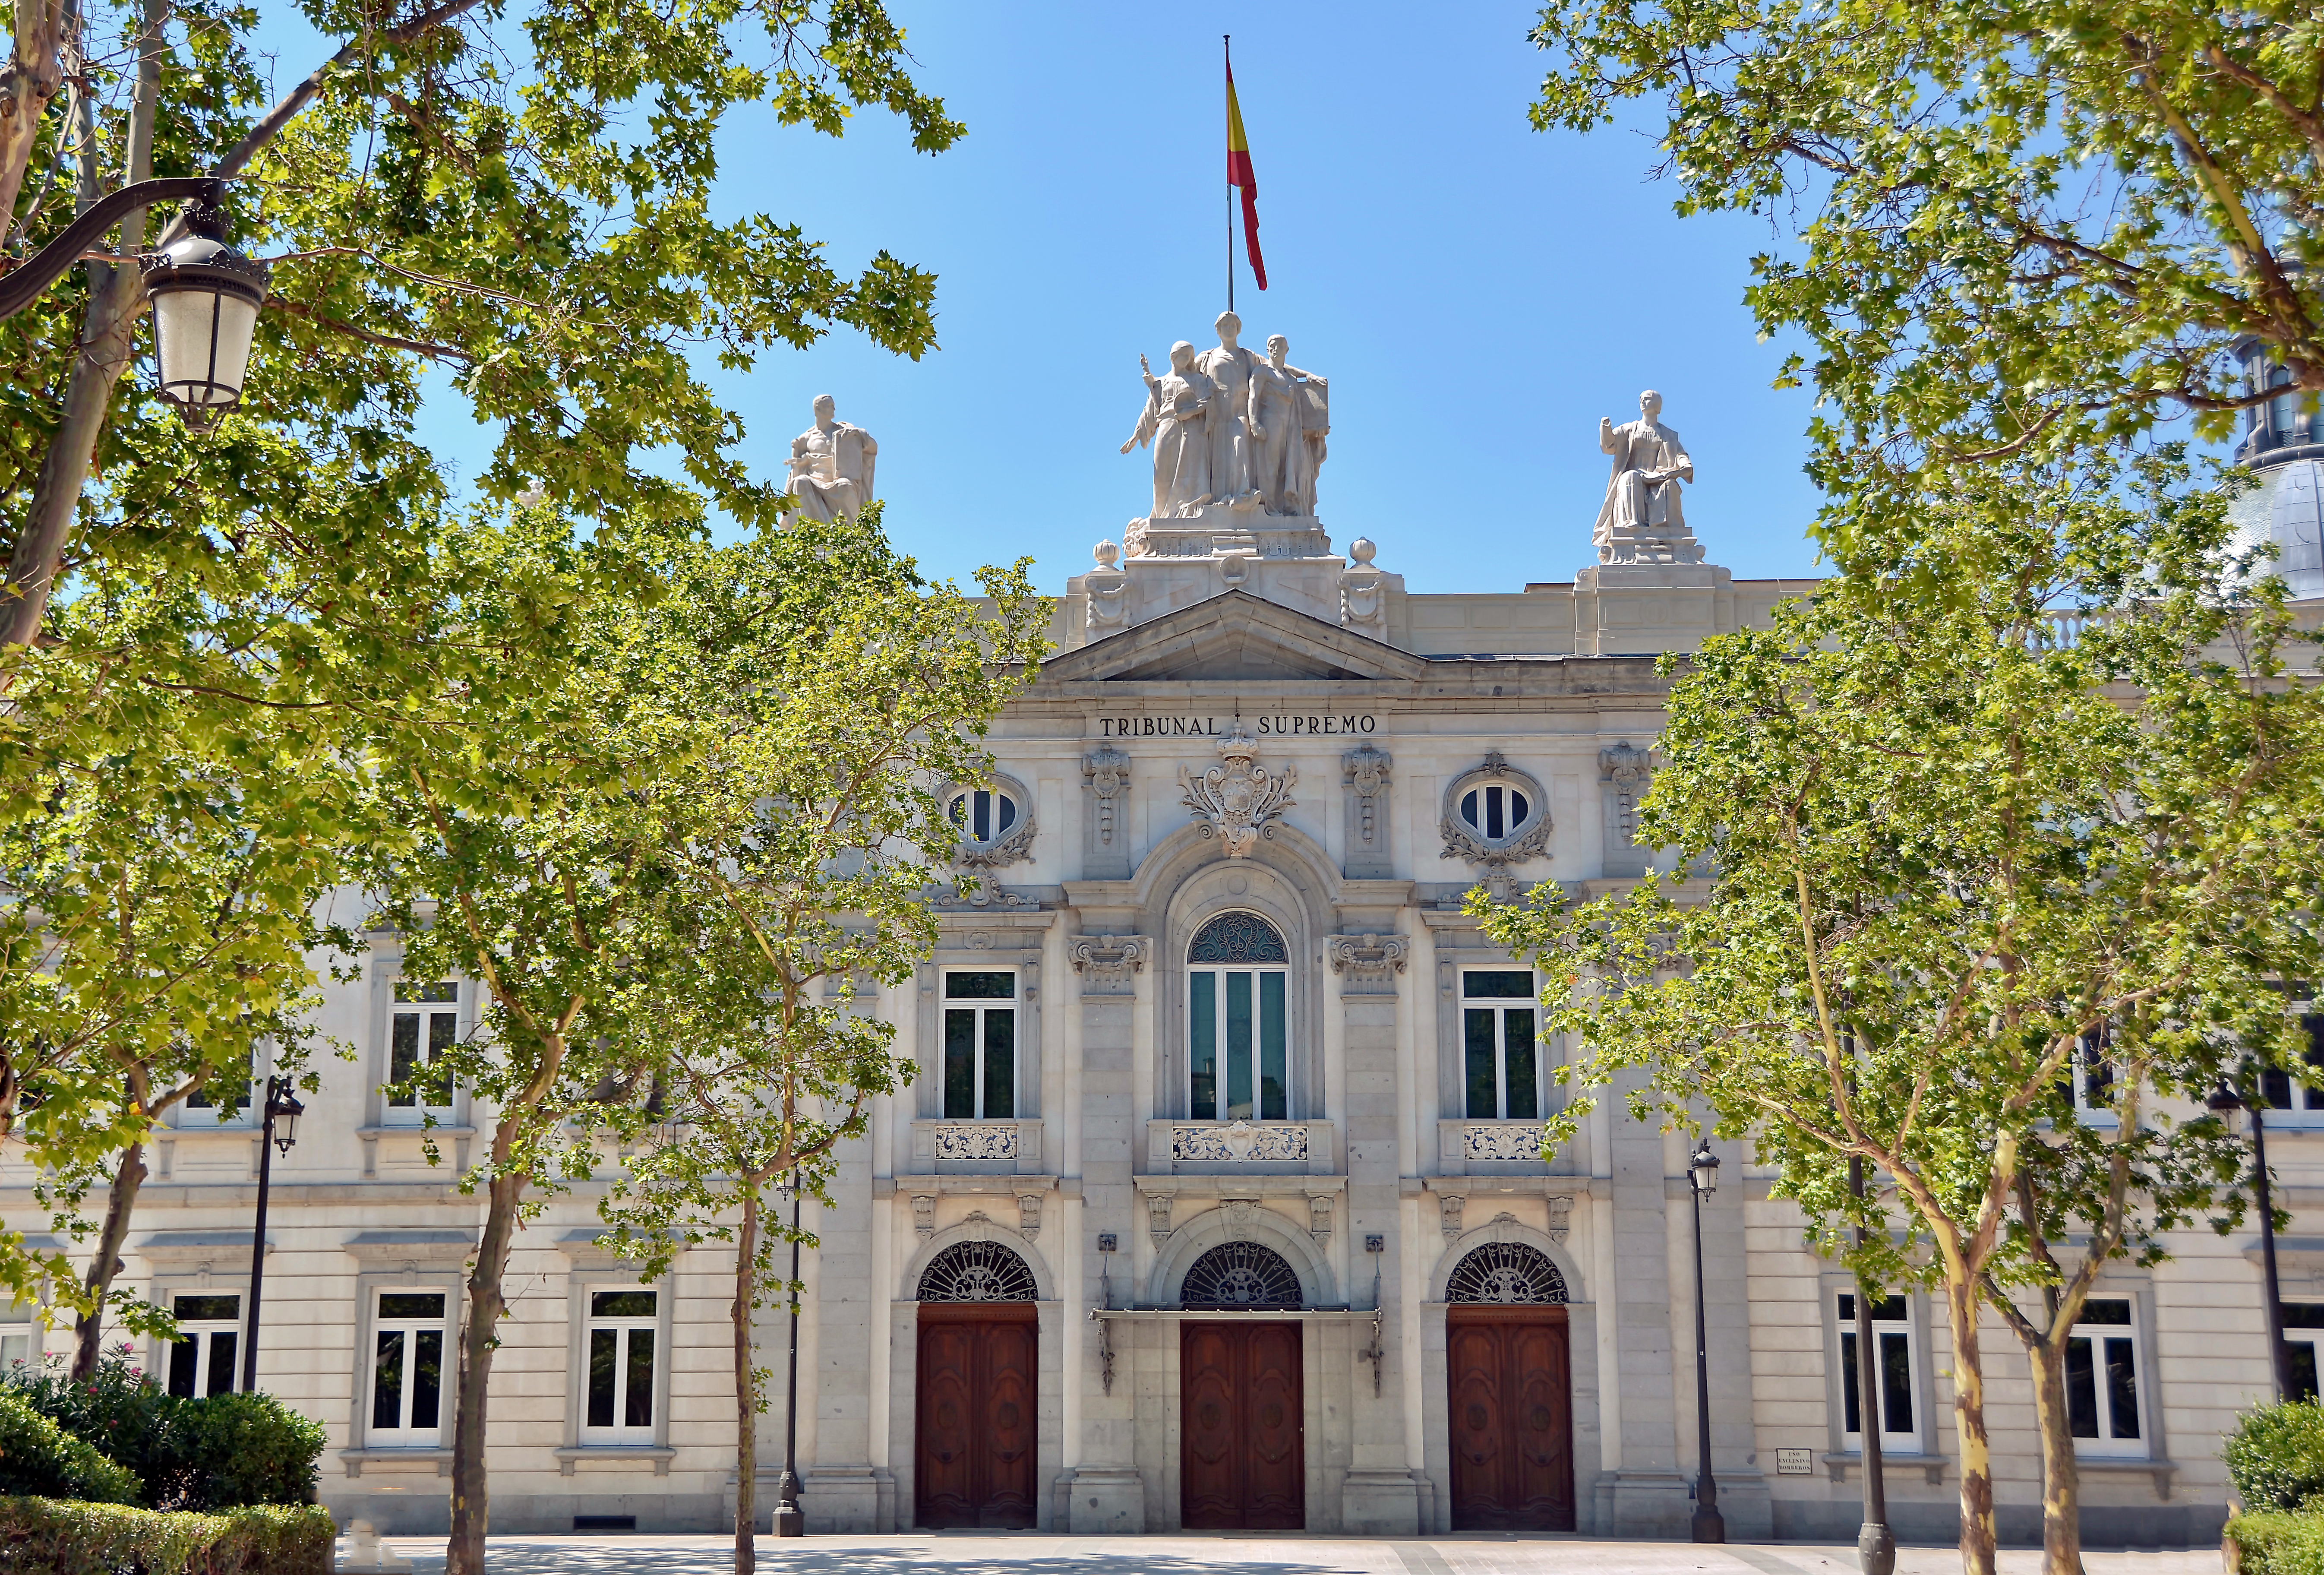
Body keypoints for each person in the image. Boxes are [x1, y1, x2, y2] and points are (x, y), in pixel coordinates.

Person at [1121, 342, 1218, 519]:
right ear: (1173, 357)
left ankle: (1188, 513)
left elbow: (1209, 404)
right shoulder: (1162, 382)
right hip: (1166, 426)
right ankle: (1162, 516)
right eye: (1183, 355)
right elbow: (1150, 411)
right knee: (1161, 474)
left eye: (1189, 356)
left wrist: (1193, 411)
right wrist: (1136, 435)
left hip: (1191, 429)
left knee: (1190, 473)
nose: (1186, 359)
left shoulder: (1197, 380)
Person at [1594, 389, 1695, 558]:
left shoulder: (1669, 435)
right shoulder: (1630, 429)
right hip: (1635, 473)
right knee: (1629, 477)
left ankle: (1668, 532)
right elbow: (1609, 445)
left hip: (1659, 476)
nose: (1643, 402)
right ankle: (1633, 524)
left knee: (1671, 486)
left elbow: (1680, 454)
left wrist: (1685, 465)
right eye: (1641, 399)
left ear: (1657, 405)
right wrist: (1605, 427)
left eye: (1647, 399)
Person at [1195, 311, 1261, 506]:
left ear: (1238, 329)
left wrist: (1306, 376)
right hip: (1216, 413)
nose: (1229, 329)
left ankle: (1243, 494)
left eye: (1233, 326)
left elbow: (1274, 368)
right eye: (1225, 326)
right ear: (1218, 330)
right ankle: (1221, 500)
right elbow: (1183, 373)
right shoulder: (1207, 357)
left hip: (1240, 411)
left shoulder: (1248, 357)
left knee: (1240, 444)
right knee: (1219, 456)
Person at [1246, 334, 1315, 516]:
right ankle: (1269, 508)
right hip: (1271, 423)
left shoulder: (1290, 379)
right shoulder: (1262, 372)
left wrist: (1308, 375)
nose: (1276, 349)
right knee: (1270, 466)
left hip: (1290, 427)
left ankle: (1284, 506)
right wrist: (1254, 422)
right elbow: (1253, 397)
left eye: (1281, 346)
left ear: (1287, 350)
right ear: (1267, 350)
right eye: (1272, 346)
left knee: (1286, 468)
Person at [785, 394, 877, 522]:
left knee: (844, 486)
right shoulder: (806, 438)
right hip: (815, 479)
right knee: (800, 482)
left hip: (838, 480)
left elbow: (872, 448)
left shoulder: (844, 431)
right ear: (818, 409)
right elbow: (796, 467)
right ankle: (816, 529)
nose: (834, 409)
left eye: (833, 406)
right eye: (829, 406)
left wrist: (860, 434)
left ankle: (856, 533)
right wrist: (800, 460)